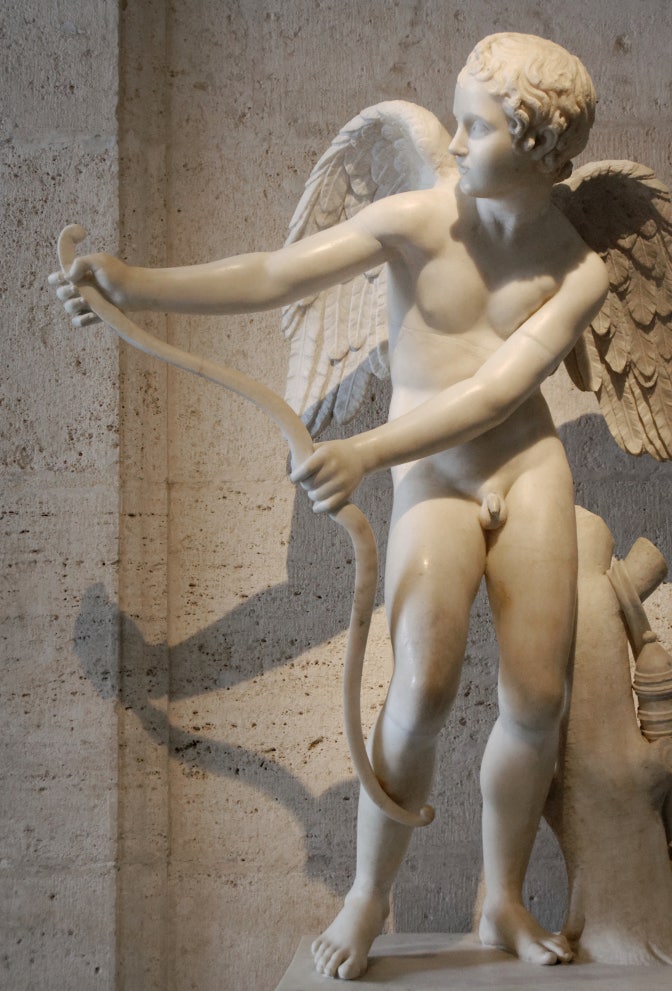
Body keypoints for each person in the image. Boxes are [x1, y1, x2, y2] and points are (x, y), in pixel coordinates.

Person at [52, 33, 608, 981]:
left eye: (475, 127)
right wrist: (135, 285)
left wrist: (364, 450)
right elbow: (278, 273)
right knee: (420, 690)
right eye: (456, 119)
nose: (454, 142)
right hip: (432, 477)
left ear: (540, 148)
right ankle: (366, 896)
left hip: (526, 469)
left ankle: (502, 898)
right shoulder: (417, 218)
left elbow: (500, 389)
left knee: (536, 700)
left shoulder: (577, 266)